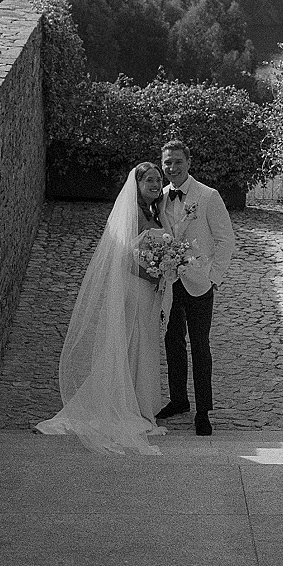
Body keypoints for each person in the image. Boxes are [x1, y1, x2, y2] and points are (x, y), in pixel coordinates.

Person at [34, 163, 168, 455]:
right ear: (137, 183)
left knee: (141, 343)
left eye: (159, 180)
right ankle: (124, 404)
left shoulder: (152, 212)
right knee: (132, 341)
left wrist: (164, 267)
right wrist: (153, 272)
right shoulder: (132, 212)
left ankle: (136, 401)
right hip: (135, 285)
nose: (156, 184)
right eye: (149, 180)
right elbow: (123, 256)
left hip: (148, 289)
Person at [156, 140, 236, 436]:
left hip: (200, 284)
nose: (172, 168)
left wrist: (214, 277)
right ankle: (178, 400)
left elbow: (226, 240)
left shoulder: (207, 196)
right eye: (167, 163)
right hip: (169, 283)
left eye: (177, 161)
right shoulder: (160, 197)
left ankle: (203, 411)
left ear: (188, 162)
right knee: (172, 342)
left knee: (200, 346)